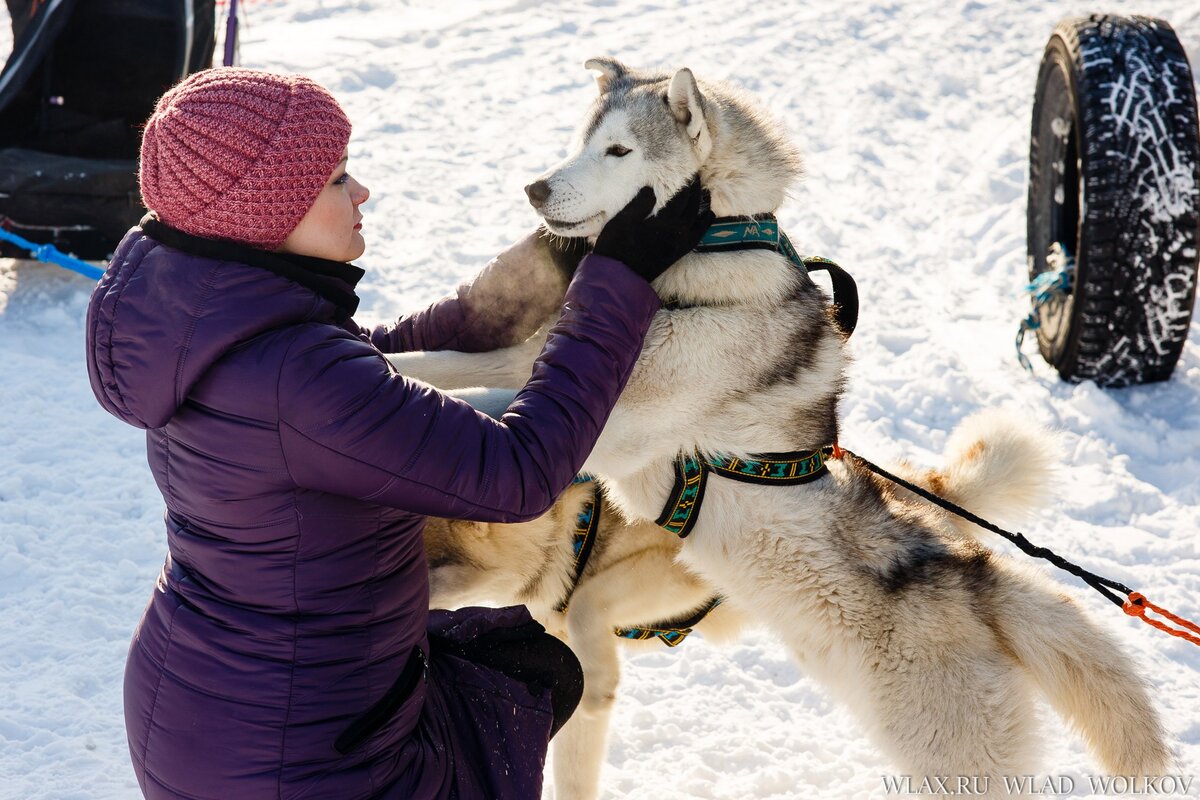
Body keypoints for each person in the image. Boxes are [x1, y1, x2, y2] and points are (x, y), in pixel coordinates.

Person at [85, 67, 713, 800]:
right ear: (267, 211)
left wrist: (557, 256)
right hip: (300, 763)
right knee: (520, 680)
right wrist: (620, 281)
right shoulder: (296, 376)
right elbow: (518, 472)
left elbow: (380, 362)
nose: (361, 193)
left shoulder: (209, 311)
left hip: (211, 702)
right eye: (336, 181)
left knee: (519, 664)